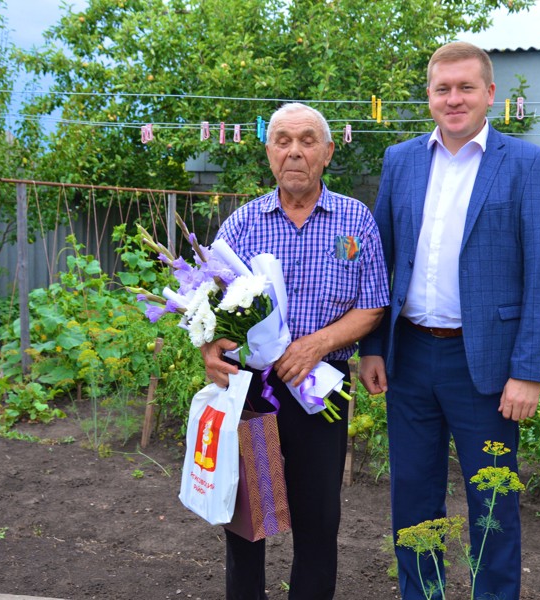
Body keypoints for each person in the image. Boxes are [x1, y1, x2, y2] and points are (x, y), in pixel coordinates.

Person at [359, 41, 540, 600]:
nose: (454, 99)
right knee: (413, 498)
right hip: (409, 360)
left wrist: (528, 372)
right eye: (442, 88)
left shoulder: (526, 164)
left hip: (488, 368)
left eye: (465, 87)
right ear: (429, 96)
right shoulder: (400, 161)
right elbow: (381, 259)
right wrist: (374, 344)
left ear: (490, 95)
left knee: (492, 504)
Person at [201, 102, 389, 600]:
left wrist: (315, 345)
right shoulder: (242, 223)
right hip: (256, 395)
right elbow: (207, 299)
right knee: (251, 518)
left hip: (319, 391)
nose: (295, 151)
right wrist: (210, 346)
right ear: (269, 153)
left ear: (327, 153)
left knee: (317, 518)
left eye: (308, 141)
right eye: (283, 141)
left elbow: (372, 307)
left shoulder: (355, 220)